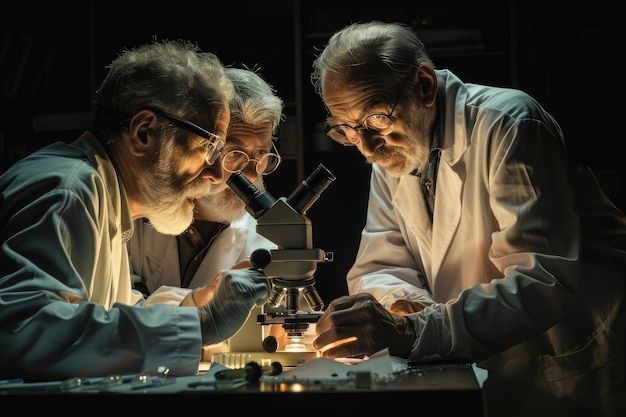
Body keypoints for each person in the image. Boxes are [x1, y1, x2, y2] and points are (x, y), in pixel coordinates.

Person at [309, 21, 626, 417]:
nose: (367, 147)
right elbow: (381, 263)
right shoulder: (391, 153)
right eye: (348, 130)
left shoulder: (509, 123)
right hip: (477, 364)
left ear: (424, 86)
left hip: (567, 356)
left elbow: (540, 280)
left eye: (376, 118)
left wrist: (415, 331)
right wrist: (407, 304)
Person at [0, 40, 271, 382]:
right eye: (209, 147)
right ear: (144, 132)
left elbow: (104, 316)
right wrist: (199, 326)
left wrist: (195, 306)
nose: (218, 175)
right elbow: (22, 332)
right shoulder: (69, 189)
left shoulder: (105, 197)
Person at [128, 66, 284, 355]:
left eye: (261, 157)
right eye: (234, 154)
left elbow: (281, 328)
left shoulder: (269, 232)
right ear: (203, 148)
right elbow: (109, 312)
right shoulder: (137, 207)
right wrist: (198, 302)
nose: (250, 176)